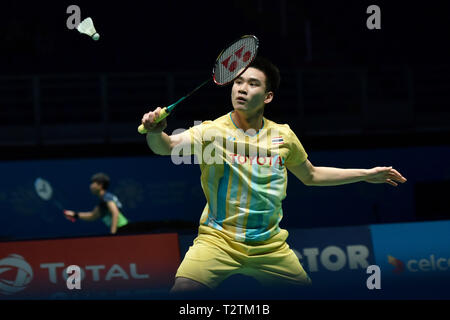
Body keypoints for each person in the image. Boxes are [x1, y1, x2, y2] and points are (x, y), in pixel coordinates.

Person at [141, 56, 407, 292]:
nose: (242, 88)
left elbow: (311, 175)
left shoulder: (284, 136)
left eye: (253, 84)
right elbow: (166, 147)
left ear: (268, 96)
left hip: (270, 245)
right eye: (238, 82)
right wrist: (155, 131)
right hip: (217, 240)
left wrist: (365, 174)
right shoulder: (212, 132)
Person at [63, 172, 129, 235]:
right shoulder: (103, 201)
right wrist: (75, 215)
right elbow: (92, 216)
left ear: (100, 185)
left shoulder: (107, 197)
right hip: (120, 230)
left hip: (124, 229)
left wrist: (112, 233)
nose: (90, 186)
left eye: (93, 183)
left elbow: (115, 213)